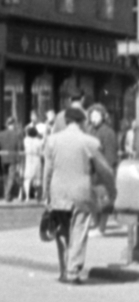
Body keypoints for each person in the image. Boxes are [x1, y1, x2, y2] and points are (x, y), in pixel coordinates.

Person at [41, 105, 114, 284]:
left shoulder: (52, 140)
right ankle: (73, 272)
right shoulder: (90, 142)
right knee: (79, 231)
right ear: (82, 122)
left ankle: (64, 270)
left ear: (66, 122)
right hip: (81, 193)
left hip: (58, 193)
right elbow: (104, 171)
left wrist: (45, 194)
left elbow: (47, 171)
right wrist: (111, 190)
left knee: (62, 232)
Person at [88, 104, 119, 231]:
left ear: (103, 116)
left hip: (103, 170)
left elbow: (110, 155)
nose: (93, 118)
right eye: (92, 115)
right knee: (93, 199)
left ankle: (101, 227)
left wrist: (107, 171)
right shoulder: (90, 130)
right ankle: (96, 224)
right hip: (92, 170)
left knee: (104, 200)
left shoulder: (108, 132)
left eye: (96, 115)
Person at [0, 116, 23, 203]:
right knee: (11, 177)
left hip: (3, 158)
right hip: (13, 158)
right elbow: (20, 147)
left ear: (7, 124)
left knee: (6, 177)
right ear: (13, 124)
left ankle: (7, 194)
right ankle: (7, 194)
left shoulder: (0, 134)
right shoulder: (17, 134)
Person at [22, 123, 45, 202]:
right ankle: (37, 195)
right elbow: (41, 152)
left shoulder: (25, 140)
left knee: (27, 179)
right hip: (37, 160)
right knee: (37, 180)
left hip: (28, 160)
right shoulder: (38, 141)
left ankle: (27, 196)